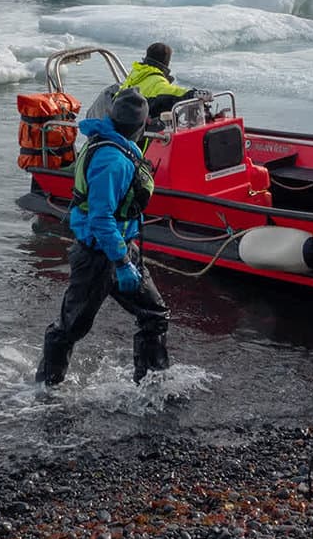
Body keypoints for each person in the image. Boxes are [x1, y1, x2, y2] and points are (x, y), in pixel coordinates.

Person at [34, 89, 171, 386]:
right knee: (71, 328)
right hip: (99, 255)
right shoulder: (112, 160)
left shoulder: (114, 146)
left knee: (155, 314)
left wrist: (125, 255)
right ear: (140, 125)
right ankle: (46, 387)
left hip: (121, 248)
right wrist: (121, 262)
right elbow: (100, 217)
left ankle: (151, 386)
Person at [123, 42, 203, 121]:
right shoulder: (158, 80)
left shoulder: (136, 72)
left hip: (127, 115)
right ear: (166, 61)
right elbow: (175, 92)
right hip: (140, 121)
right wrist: (194, 94)